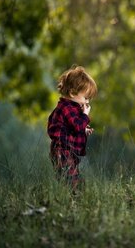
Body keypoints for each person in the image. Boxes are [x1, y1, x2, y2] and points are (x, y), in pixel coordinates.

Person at [47, 65, 97, 193]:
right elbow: (77, 125)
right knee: (71, 180)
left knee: (71, 178)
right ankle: (73, 200)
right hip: (62, 150)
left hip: (68, 150)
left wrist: (84, 131)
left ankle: (71, 199)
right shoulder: (67, 108)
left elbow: (72, 129)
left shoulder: (71, 108)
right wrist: (85, 116)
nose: (87, 102)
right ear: (72, 93)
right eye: (85, 98)